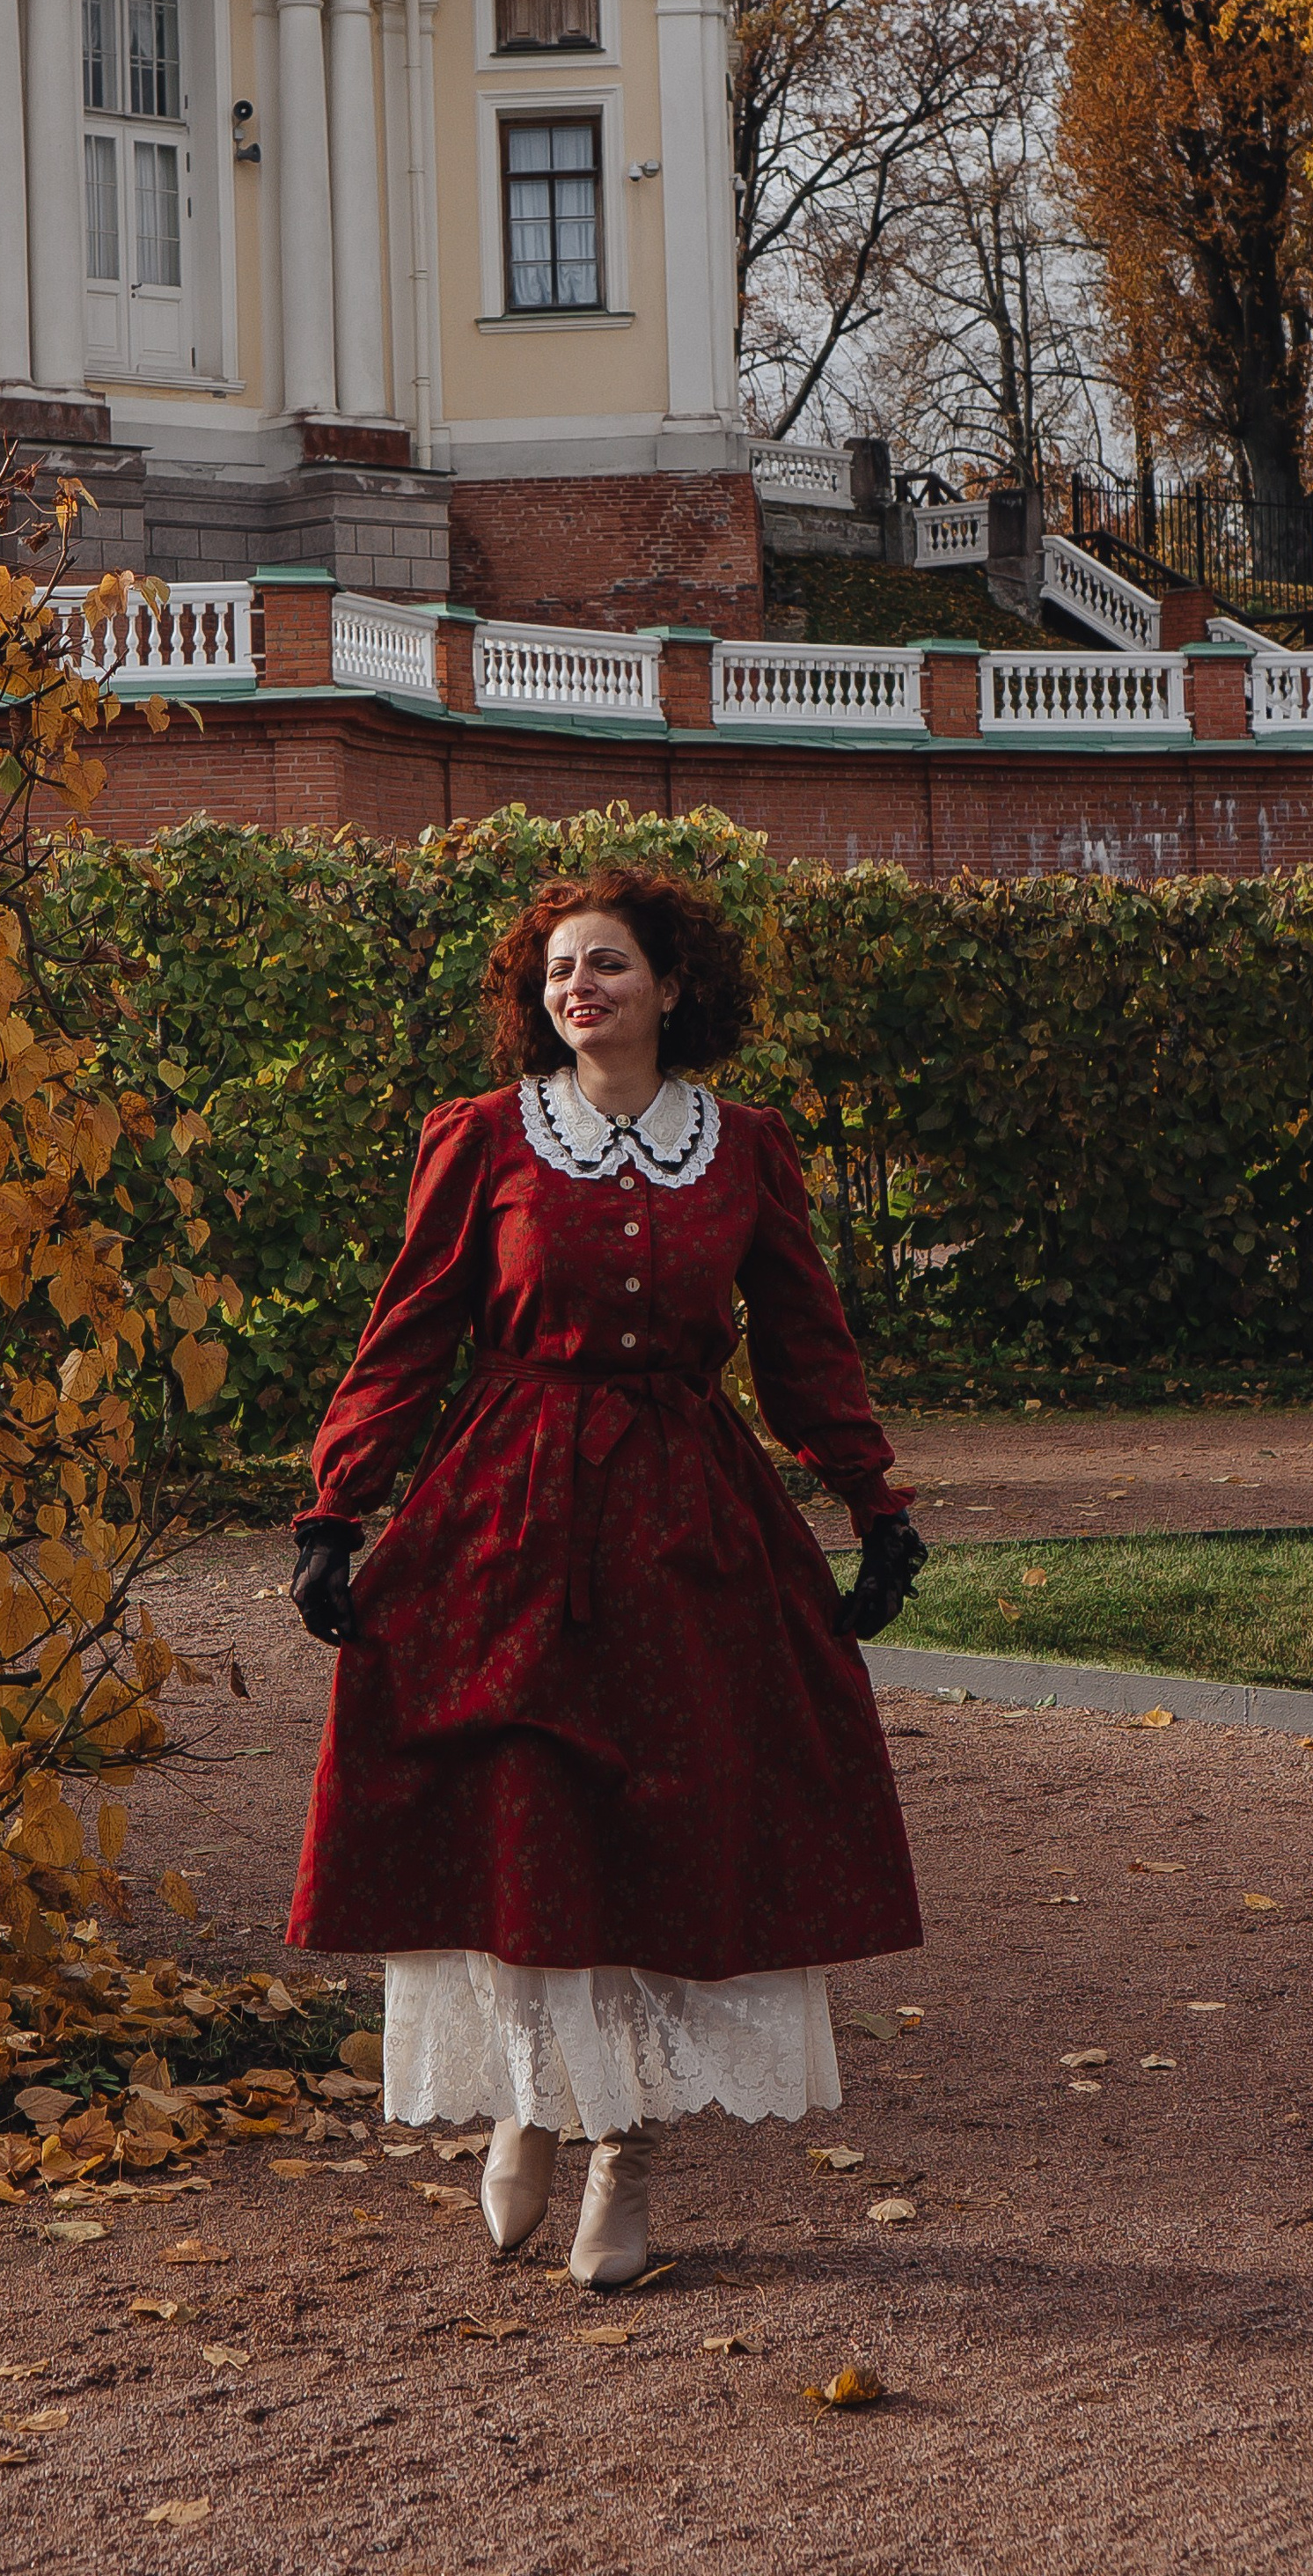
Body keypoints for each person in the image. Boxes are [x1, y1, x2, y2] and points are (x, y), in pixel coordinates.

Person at [283, 866, 927, 2292]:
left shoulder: (742, 1147)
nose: (581, 987)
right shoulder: (484, 1138)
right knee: (528, 1810)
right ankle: (531, 2102)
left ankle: (628, 2151)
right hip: (510, 1513)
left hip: (689, 1524)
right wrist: (339, 1505)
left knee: (670, 1823)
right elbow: (410, 1331)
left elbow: (803, 1342)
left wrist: (871, 1501)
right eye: (561, 970)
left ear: (672, 987)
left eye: (610, 964)